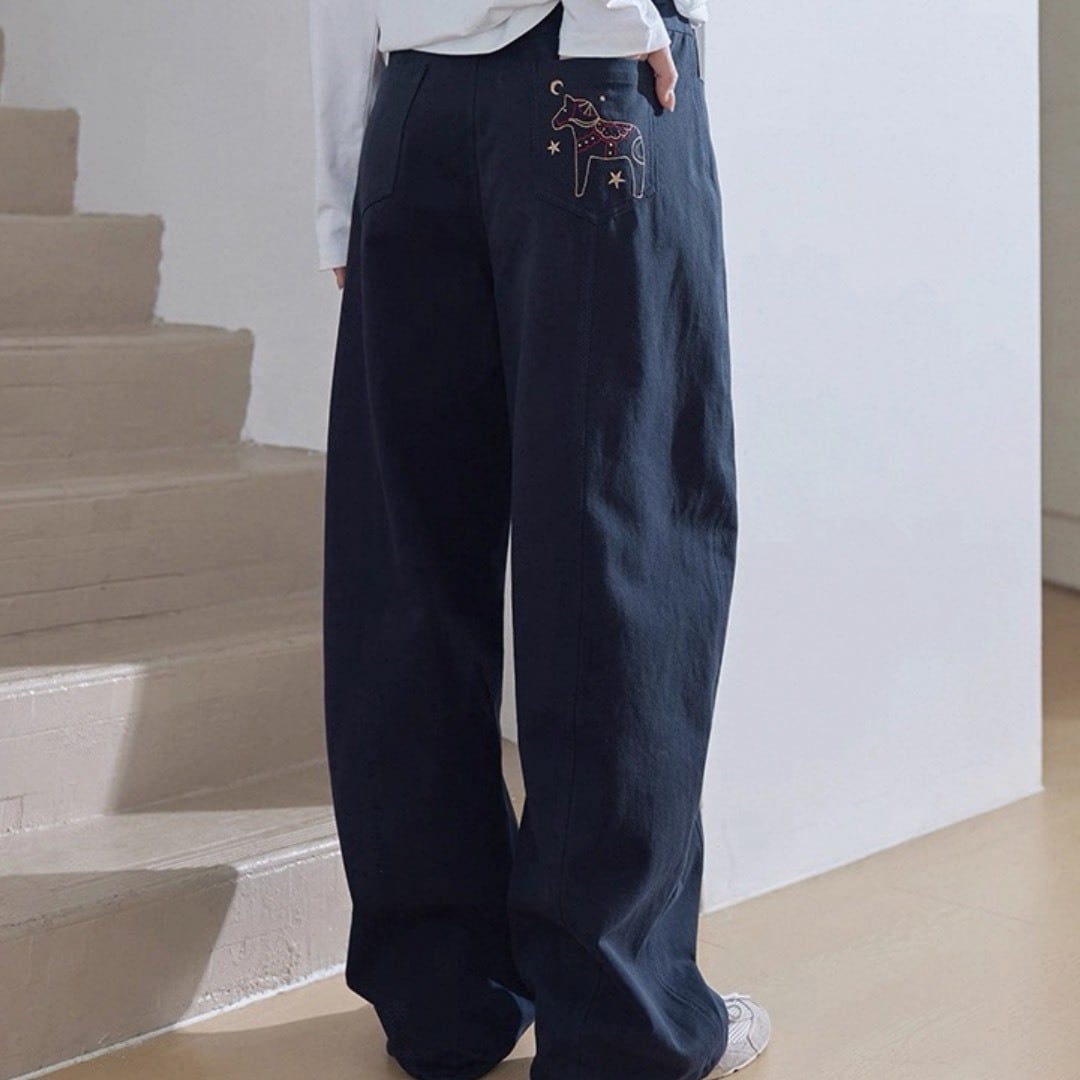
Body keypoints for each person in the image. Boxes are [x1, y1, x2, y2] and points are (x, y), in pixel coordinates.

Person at [307, 2, 771, 1077]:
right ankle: (619, 1027)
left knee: (409, 565)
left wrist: (339, 193)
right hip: (585, 74)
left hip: (410, 105)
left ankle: (442, 1002)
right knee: (624, 548)